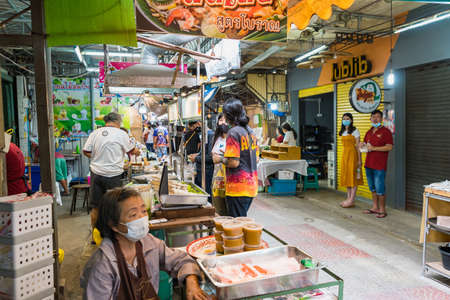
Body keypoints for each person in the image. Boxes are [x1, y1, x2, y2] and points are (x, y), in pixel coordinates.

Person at [80, 187, 208, 300]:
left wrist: (192, 283)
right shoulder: (102, 266)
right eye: (133, 214)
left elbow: (180, 259)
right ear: (113, 225)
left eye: (144, 211)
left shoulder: (148, 242)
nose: (141, 218)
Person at [83, 112, 137, 229]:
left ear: (106, 121)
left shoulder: (95, 133)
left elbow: (86, 151)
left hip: (96, 174)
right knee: (114, 206)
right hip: (114, 175)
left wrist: (97, 157)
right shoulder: (121, 134)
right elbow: (131, 150)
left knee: (96, 206)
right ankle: (113, 234)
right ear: (118, 122)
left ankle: (95, 235)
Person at [219, 98, 258, 217]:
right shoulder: (250, 132)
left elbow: (233, 163)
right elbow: (256, 158)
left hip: (238, 187)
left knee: (237, 227)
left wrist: (220, 158)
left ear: (228, 115)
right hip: (251, 185)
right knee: (241, 221)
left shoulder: (233, 132)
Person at [361, 110, 393, 218]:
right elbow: (366, 146)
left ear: (382, 119)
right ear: (370, 118)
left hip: (379, 165)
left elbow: (389, 147)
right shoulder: (369, 132)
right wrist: (362, 145)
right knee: (372, 187)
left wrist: (374, 148)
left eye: (378, 117)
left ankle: (382, 210)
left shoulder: (386, 132)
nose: (375, 119)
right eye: (373, 117)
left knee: (380, 188)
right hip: (368, 164)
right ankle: (375, 207)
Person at [338, 113, 363, 208]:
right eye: (344, 119)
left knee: (353, 177)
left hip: (353, 155)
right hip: (345, 155)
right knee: (347, 176)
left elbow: (358, 146)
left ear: (351, 120)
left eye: (347, 119)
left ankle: (352, 199)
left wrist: (359, 160)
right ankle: (348, 198)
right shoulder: (343, 131)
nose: (345, 120)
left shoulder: (355, 131)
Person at [188, 123, 215, 203]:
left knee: (206, 196)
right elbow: (203, 152)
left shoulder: (210, 135)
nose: (193, 128)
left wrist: (196, 158)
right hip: (200, 171)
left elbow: (210, 157)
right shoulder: (203, 135)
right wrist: (196, 155)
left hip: (207, 171)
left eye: (194, 126)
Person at [211, 120, 229, 215]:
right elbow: (213, 158)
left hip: (229, 178)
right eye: (221, 120)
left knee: (227, 207)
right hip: (217, 177)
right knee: (219, 206)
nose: (223, 123)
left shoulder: (233, 139)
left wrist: (221, 158)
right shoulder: (216, 139)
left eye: (225, 121)